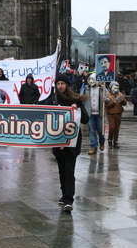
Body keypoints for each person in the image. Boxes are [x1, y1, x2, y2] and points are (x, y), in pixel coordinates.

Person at [43, 73, 88, 212]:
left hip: (71, 142)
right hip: (57, 141)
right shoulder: (51, 100)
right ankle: (64, 194)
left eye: (62, 84)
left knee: (69, 170)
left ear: (67, 85)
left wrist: (78, 109)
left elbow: (85, 119)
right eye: (58, 84)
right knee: (62, 171)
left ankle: (69, 199)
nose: (60, 86)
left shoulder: (76, 99)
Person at [81, 73, 105, 155]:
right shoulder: (86, 89)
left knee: (100, 130)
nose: (91, 81)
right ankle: (93, 147)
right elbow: (80, 98)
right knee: (91, 131)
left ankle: (102, 142)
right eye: (90, 80)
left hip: (100, 113)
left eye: (93, 79)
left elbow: (109, 98)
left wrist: (106, 99)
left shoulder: (102, 89)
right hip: (90, 114)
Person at [104, 81, 127, 149]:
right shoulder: (107, 94)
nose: (115, 89)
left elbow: (125, 104)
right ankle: (110, 140)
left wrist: (123, 101)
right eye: (114, 87)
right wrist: (113, 102)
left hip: (118, 113)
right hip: (110, 113)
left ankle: (115, 141)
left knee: (117, 128)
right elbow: (107, 106)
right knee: (112, 127)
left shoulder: (120, 94)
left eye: (117, 87)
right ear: (111, 87)